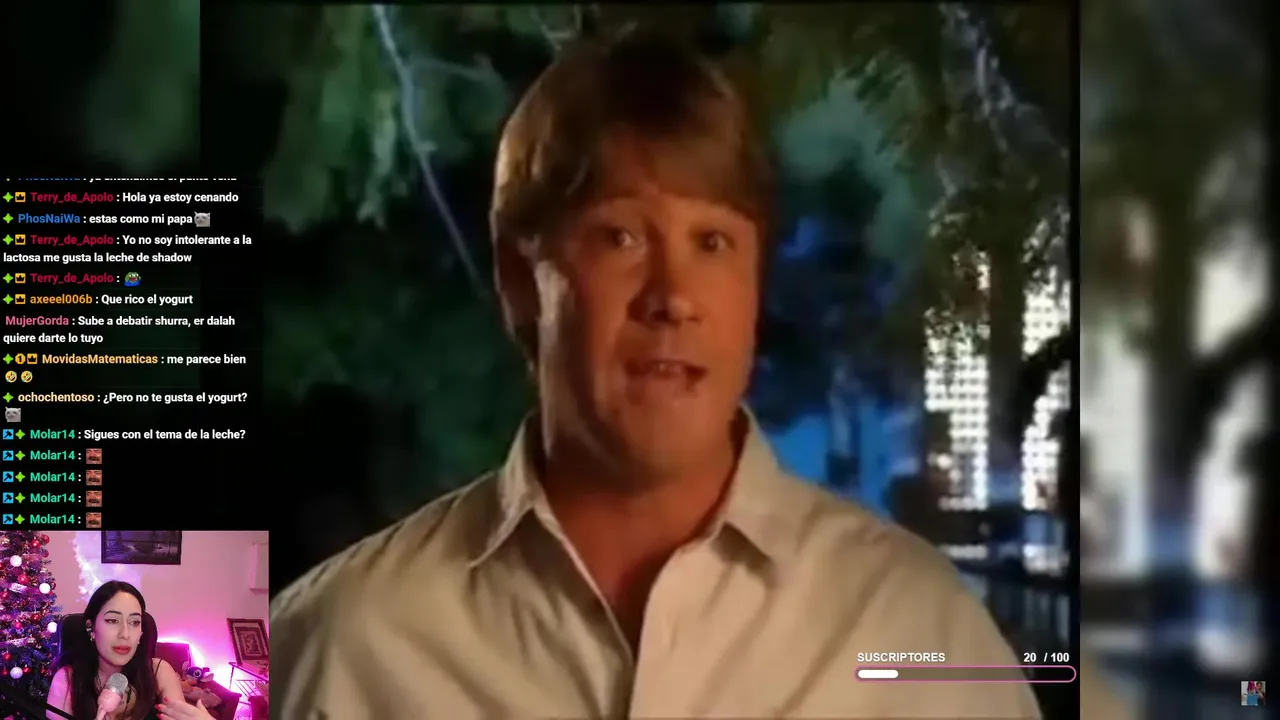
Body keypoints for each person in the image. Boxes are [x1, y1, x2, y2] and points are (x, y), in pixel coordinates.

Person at [271, 29, 1043, 718]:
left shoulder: (920, 634)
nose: (674, 297)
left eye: (712, 243)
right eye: (621, 237)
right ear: (519, 280)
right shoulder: (338, 648)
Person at [45, 580, 215, 720]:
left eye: (134, 622)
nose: (125, 634)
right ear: (91, 628)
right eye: (112, 620)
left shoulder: (159, 672)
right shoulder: (66, 681)